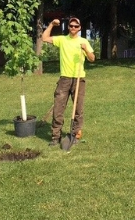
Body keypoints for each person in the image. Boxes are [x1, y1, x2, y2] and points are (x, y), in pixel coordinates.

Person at [41, 17, 96, 148]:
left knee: (78, 108)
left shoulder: (84, 41)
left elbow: (92, 59)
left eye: (75, 26)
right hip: (64, 79)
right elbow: (44, 38)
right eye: (71, 26)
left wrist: (86, 50)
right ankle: (56, 136)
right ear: (68, 27)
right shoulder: (62, 40)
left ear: (79, 28)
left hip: (78, 79)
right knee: (58, 107)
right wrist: (51, 25)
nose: (73, 28)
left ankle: (75, 134)